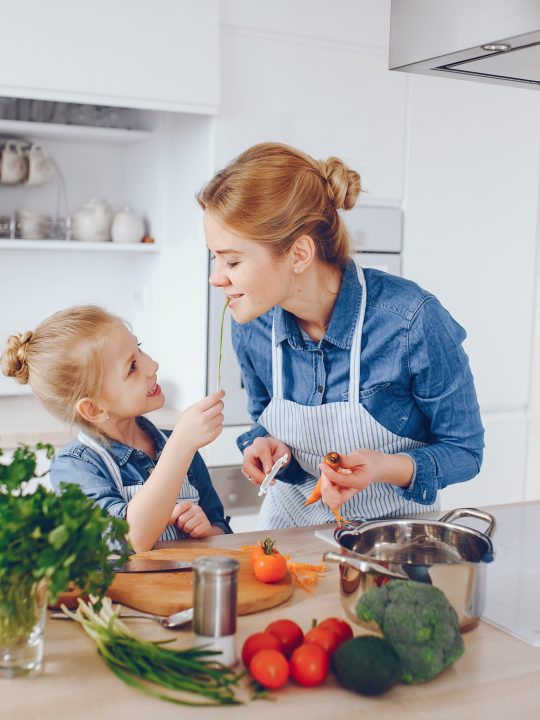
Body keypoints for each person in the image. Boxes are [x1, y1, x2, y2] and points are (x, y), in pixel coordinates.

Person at [197, 142, 484, 529]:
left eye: (232, 260)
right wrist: (264, 447)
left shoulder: (411, 321)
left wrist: (384, 467)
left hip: (391, 540)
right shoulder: (252, 326)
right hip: (289, 532)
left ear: (299, 254)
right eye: (215, 258)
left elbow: (465, 451)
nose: (217, 277)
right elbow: (264, 421)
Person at [1, 306, 231, 551]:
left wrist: (207, 532)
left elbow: (223, 532)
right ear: (94, 409)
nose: (152, 365)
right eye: (132, 366)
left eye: (139, 348)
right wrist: (180, 446)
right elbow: (128, 541)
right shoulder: (76, 467)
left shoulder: (178, 445)